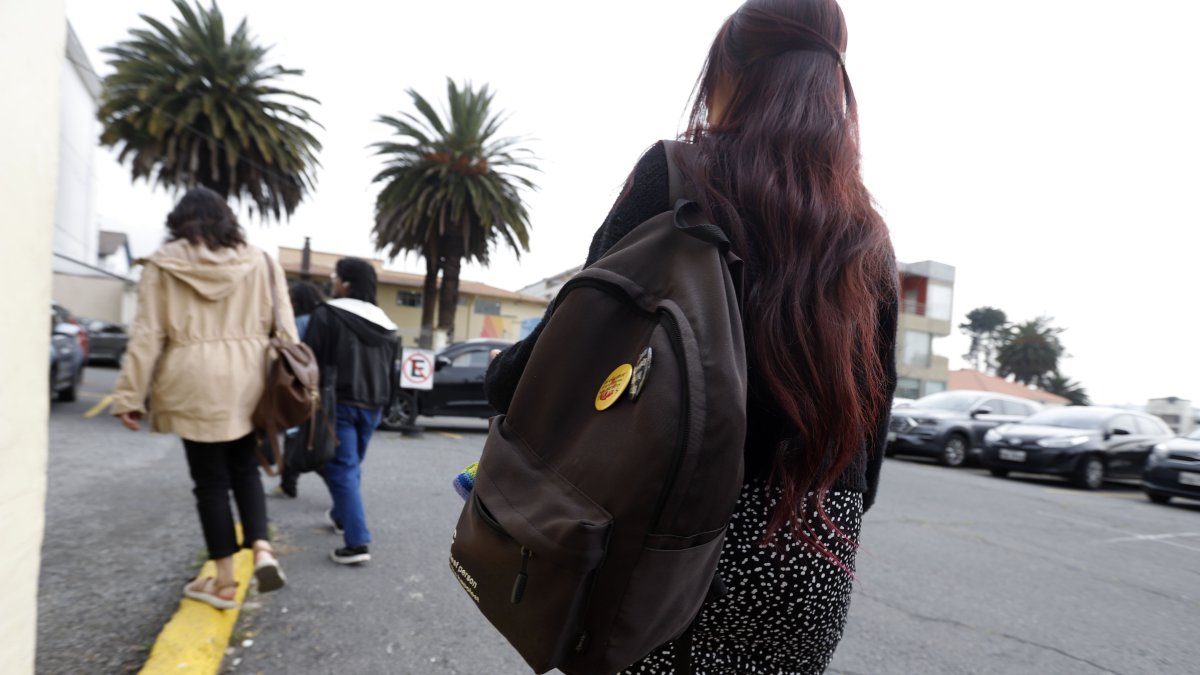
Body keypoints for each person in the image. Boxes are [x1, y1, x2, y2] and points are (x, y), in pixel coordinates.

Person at [484, 1, 898, 672]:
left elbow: (576, 333)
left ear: (729, 73)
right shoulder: (867, 233)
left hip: (671, 531)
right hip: (814, 552)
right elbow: (871, 435)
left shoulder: (681, 177)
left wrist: (502, 376)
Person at [111, 186, 293, 610]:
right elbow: (286, 331)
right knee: (245, 468)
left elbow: (147, 335)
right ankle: (262, 548)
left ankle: (224, 582)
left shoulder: (162, 264)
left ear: (178, 223)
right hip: (250, 379)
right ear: (229, 220)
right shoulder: (262, 261)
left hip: (190, 378)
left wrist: (129, 396)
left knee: (210, 482)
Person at [302, 258, 398, 565]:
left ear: (346, 283)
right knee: (351, 466)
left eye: (335, 277)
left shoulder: (326, 314)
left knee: (342, 469)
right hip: (375, 405)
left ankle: (357, 543)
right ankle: (342, 516)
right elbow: (393, 370)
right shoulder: (386, 323)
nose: (332, 282)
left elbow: (309, 360)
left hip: (338, 402)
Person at [274, 280, 325, 499]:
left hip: (301, 385)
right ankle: (288, 482)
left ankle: (289, 483)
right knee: (309, 436)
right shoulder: (322, 320)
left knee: (295, 435)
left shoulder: (298, 323)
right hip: (321, 385)